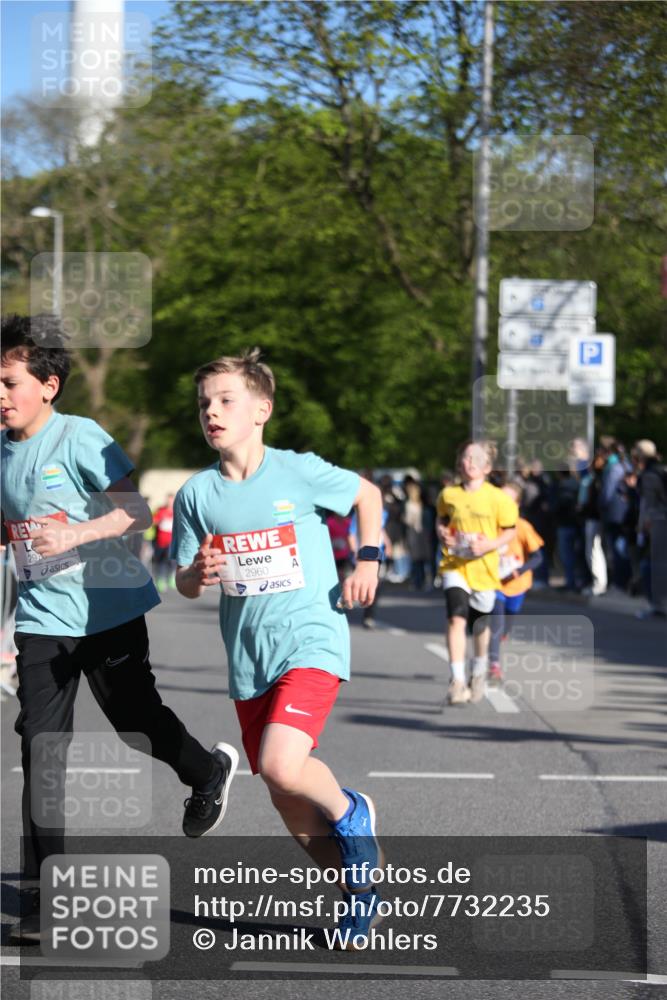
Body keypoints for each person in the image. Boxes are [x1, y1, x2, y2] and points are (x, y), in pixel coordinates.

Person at [0, 315, 237, 945]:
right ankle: (46, 900)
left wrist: (74, 532)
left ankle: (206, 771)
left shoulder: (80, 437)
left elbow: (136, 509)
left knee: (136, 723)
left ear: (47, 385)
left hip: (107, 611)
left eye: (8, 381)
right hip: (43, 620)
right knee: (40, 751)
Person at [170, 347, 385, 947]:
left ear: (261, 409)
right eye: (204, 403)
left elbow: (368, 495)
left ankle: (351, 811)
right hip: (249, 659)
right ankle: (359, 896)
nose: (211, 412)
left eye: (225, 400)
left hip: (312, 636)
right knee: (284, 794)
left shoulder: (296, 470)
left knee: (283, 764)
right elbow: (183, 583)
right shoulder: (196, 494)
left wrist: (368, 560)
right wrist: (197, 572)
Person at [436, 441, 518, 705]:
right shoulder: (448, 494)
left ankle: (479, 671)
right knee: (456, 618)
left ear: (487, 467)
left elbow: (510, 529)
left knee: (479, 625)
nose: (468, 462)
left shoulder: (499, 498)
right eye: (465, 458)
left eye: (474, 459)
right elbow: (442, 519)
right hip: (455, 564)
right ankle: (457, 681)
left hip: (484, 569)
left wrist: (489, 544)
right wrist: (442, 532)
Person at [488, 482, 544, 685]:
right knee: (496, 623)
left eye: (508, 501)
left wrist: (517, 571)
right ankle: (494, 665)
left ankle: (502, 637)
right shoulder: (489, 525)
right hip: (495, 583)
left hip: (517, 584)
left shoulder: (522, 527)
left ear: (517, 504)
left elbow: (538, 557)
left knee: (506, 625)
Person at [632, 440, 667, 619]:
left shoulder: (649, 475)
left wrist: (643, 524)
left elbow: (649, 502)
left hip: (658, 522)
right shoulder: (660, 470)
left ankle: (658, 605)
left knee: (652, 565)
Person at [152, 493, 176, 591]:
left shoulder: (176, 512)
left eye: (171, 500)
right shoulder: (161, 510)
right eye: (168, 500)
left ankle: (171, 577)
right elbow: (153, 522)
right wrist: (160, 519)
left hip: (171, 541)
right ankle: (160, 580)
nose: (170, 502)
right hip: (160, 541)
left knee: (172, 561)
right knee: (160, 561)